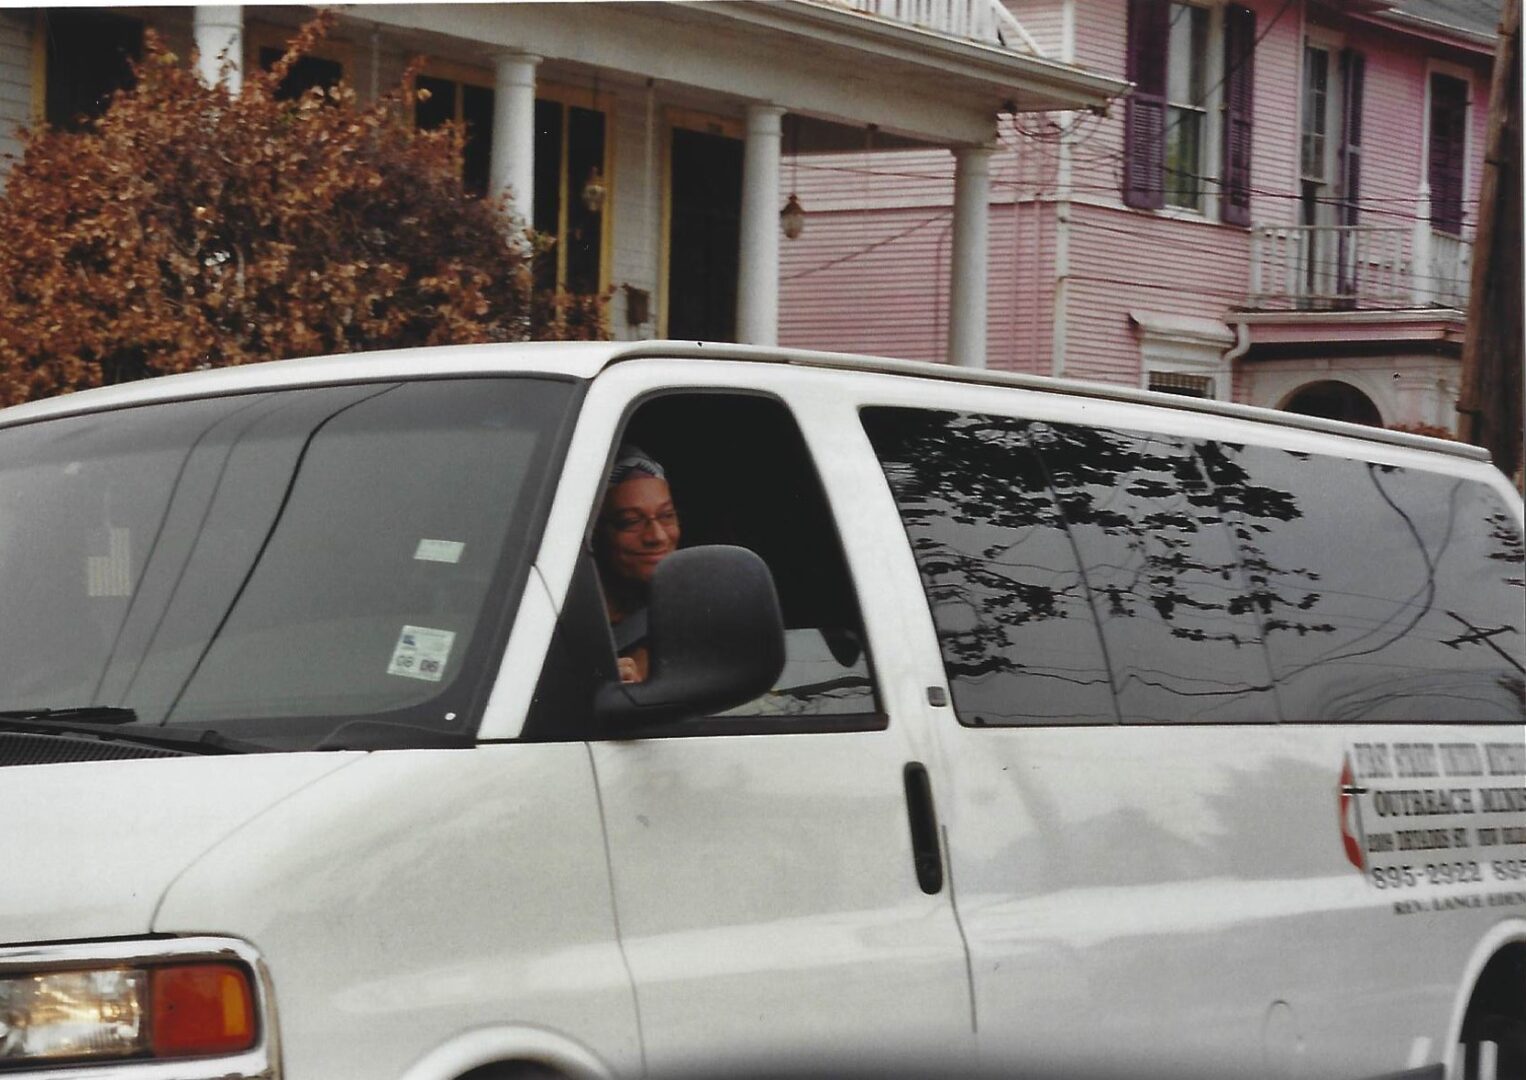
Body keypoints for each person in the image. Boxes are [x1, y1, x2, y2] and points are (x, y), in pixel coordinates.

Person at [595, 444, 681, 683]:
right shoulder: (560, 624)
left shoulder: (693, 611)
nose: (658, 536)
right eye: (631, 521)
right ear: (596, 533)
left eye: (667, 516)